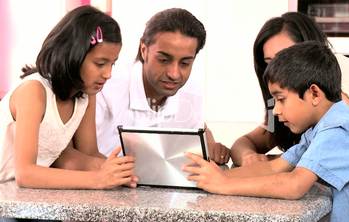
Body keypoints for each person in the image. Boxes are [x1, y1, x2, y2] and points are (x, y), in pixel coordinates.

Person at [183, 42, 349, 222]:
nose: (276, 111)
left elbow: (294, 185)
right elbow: (273, 167)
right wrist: (215, 176)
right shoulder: (320, 128)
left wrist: (224, 185)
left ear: (314, 93)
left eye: (281, 99)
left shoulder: (340, 129)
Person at [230, 12, 349, 167]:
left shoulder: (338, 72)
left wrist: (272, 163)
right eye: (269, 62)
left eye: (286, 56)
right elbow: (249, 141)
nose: (277, 68)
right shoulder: (288, 100)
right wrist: (248, 156)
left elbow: (330, 152)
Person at [0, 5, 137, 189]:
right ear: (73, 56)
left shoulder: (85, 95)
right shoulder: (34, 92)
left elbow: (80, 155)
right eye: (100, 63)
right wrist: (98, 179)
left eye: (112, 64)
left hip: (19, 195)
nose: (108, 74)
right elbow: (25, 174)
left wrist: (117, 172)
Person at [96, 8, 230, 164]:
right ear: (144, 50)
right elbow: (80, 155)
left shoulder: (191, 92)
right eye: (164, 60)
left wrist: (212, 147)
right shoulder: (105, 87)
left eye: (185, 63)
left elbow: (199, 133)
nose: (174, 74)